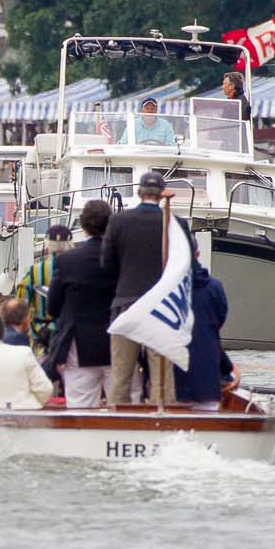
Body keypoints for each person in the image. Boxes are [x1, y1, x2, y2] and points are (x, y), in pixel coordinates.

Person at [102, 173, 185, 406]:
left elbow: (106, 264)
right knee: (162, 380)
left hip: (126, 304)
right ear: (162, 194)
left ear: (140, 192)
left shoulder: (118, 222)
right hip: (161, 307)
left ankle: (117, 423)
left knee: (121, 375)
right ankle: (162, 421)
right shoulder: (175, 224)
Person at [44, 199, 117, 406]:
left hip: (79, 343)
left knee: (80, 407)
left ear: (83, 227)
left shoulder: (67, 261)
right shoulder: (121, 257)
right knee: (123, 406)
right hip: (118, 339)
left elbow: (53, 307)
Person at [172, 262, 237, 409]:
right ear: (197, 254)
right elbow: (220, 317)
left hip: (175, 381)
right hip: (207, 381)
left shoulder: (166, 288)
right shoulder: (215, 287)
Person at [11, 222, 71, 347]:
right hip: (71, 337)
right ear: (70, 244)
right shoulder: (78, 269)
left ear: (47, 244)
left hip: (41, 338)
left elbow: (20, 304)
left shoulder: (34, 272)